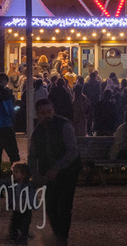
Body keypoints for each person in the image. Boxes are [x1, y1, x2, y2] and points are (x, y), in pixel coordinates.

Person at [29, 98, 80, 246]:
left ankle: (62, 237)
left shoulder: (64, 126)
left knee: (64, 204)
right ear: (38, 115)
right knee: (51, 205)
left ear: (53, 110)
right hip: (49, 173)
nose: (46, 115)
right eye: (43, 113)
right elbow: (33, 156)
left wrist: (57, 168)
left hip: (68, 170)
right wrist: (36, 175)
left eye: (49, 112)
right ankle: (59, 234)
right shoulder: (37, 132)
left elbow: (72, 152)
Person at [7, 161, 36, 244]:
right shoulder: (12, 184)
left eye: (16, 172)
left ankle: (23, 236)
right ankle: (14, 235)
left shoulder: (29, 185)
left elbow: (31, 195)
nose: (14, 174)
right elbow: (2, 183)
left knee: (24, 224)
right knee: (14, 224)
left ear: (24, 175)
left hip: (25, 210)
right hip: (17, 210)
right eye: (13, 172)